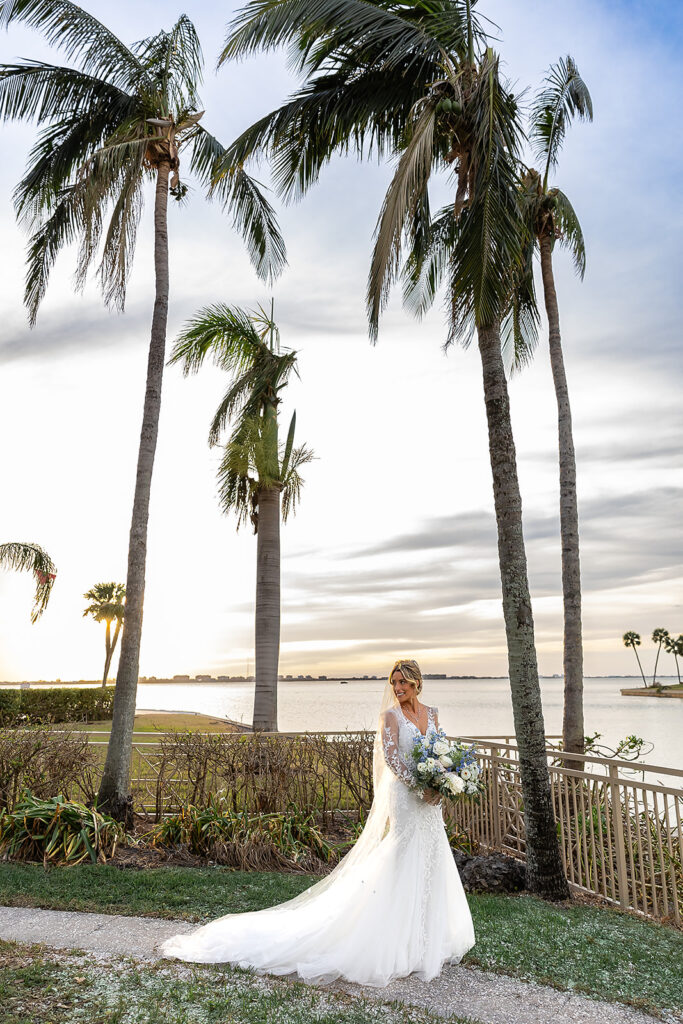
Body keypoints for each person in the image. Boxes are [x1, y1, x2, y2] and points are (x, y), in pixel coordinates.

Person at [159, 658, 475, 986]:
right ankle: (390, 936)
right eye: (394, 683)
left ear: (417, 684)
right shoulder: (390, 716)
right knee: (402, 856)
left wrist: (443, 782)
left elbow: (443, 752)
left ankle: (425, 938)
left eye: (404, 684)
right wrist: (420, 786)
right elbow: (394, 761)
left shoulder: (433, 714)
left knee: (431, 857)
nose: (397, 689)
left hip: (430, 801)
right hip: (406, 797)